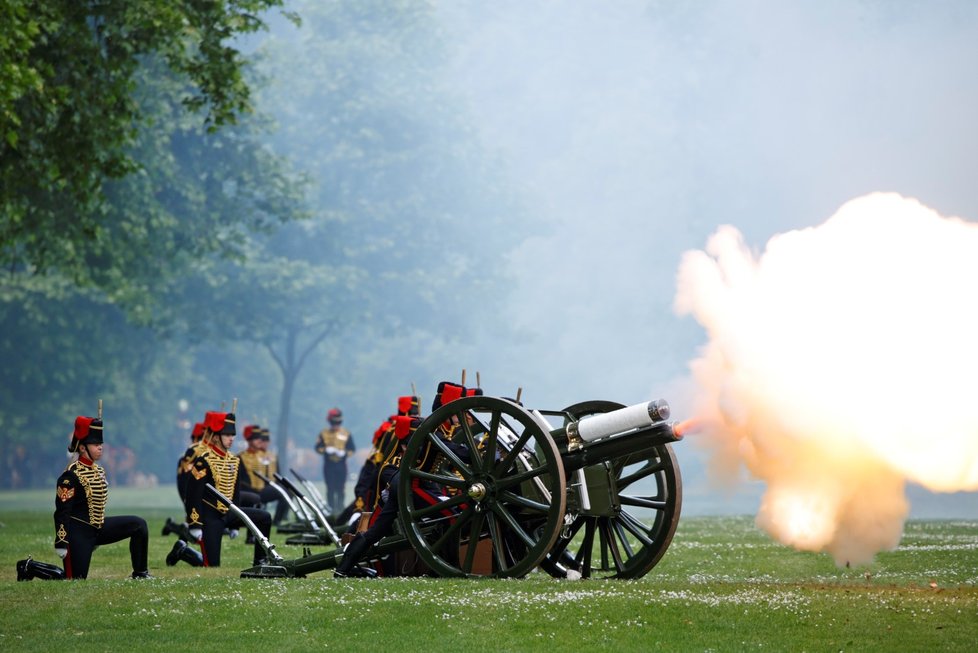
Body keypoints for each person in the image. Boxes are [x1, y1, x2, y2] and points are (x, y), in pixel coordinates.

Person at [334, 382, 475, 578]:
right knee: (451, 518)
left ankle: (342, 570)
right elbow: (455, 452)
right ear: (448, 408)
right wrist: (477, 453)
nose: (461, 416)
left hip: (406, 485)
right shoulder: (434, 430)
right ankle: (446, 570)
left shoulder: (440, 428)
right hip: (412, 485)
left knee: (375, 532)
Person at [17, 407, 151, 580]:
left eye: (100, 444)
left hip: (97, 527)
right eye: (96, 445)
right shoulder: (70, 476)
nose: (101, 448)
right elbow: (62, 512)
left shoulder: (98, 471)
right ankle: (28, 566)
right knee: (74, 579)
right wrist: (62, 541)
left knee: (138, 524)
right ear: (82, 448)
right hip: (78, 533)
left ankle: (140, 574)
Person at [170, 410, 272, 568]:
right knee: (211, 566)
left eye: (232, 435)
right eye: (227, 435)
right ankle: (185, 552)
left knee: (264, 517)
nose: (231, 439)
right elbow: (193, 495)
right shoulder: (203, 461)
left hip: (229, 513)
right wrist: (195, 524)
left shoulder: (234, 460)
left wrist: (236, 523)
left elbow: (235, 494)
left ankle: (261, 561)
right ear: (217, 437)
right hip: (210, 517)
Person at [238, 425, 288, 525]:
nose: (260, 441)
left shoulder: (265, 456)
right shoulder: (240, 457)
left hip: (261, 491)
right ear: (249, 440)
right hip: (247, 491)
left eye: (260, 438)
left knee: (284, 491)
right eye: (256, 438)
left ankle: (277, 520)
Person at [315, 407, 355, 514]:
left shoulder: (346, 433)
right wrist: (326, 450)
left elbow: (352, 449)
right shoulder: (323, 433)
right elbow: (317, 448)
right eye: (334, 423)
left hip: (341, 465)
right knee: (330, 488)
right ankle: (331, 509)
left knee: (341, 488)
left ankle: (340, 509)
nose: (335, 425)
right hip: (329, 465)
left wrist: (345, 453)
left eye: (337, 423)